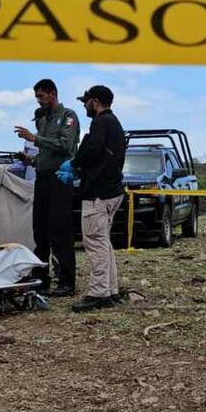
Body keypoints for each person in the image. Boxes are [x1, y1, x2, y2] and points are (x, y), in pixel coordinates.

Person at [13, 79, 80, 297]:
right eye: (37, 97)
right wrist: (31, 160)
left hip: (60, 180)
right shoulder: (42, 119)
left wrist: (35, 139)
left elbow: (66, 146)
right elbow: (45, 154)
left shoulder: (68, 117)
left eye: (42, 96)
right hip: (42, 179)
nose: (39, 101)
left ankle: (67, 280)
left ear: (52, 94)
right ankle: (41, 277)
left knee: (60, 231)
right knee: (39, 231)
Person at [67, 85, 127, 313]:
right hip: (112, 191)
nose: (84, 105)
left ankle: (99, 293)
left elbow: (92, 150)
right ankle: (110, 291)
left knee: (94, 242)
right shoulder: (115, 123)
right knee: (104, 242)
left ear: (96, 101)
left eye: (86, 101)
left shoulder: (101, 122)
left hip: (98, 193)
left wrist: (74, 164)